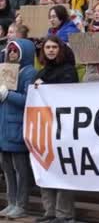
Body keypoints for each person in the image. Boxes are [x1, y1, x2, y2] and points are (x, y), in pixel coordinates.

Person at [33, 36, 79, 223]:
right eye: (47, 47)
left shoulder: (69, 71)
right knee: (46, 169)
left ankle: (64, 213)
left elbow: (68, 95)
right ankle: (49, 211)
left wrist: (47, 88)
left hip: (65, 129)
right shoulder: (41, 72)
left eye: (54, 47)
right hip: (45, 129)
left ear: (60, 49)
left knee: (63, 171)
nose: (50, 50)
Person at [0, 39, 37, 219]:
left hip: (18, 125)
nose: (12, 54)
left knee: (20, 169)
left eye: (15, 51)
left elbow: (28, 99)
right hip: (4, 126)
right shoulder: (5, 69)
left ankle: (21, 204)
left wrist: (8, 94)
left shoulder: (29, 72)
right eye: (10, 51)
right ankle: (11, 202)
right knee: (6, 167)